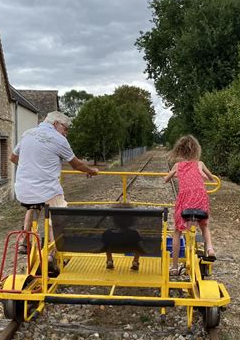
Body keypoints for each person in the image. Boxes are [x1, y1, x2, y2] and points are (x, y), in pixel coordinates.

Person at [10, 111, 98, 266]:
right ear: (56, 124)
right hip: (46, 190)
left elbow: (13, 157)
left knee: (33, 206)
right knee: (57, 212)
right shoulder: (59, 140)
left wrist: (32, 165)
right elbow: (76, 164)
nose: (66, 133)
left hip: (23, 189)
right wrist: (92, 171)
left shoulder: (27, 134)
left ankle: (25, 241)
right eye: (65, 129)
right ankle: (53, 255)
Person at [164, 135, 216, 275]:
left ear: (179, 151)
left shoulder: (177, 166)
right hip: (200, 199)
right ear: (196, 150)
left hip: (185, 202)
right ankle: (210, 248)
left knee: (177, 232)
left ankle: (174, 267)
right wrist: (204, 177)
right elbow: (211, 178)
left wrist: (174, 175)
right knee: (204, 226)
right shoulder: (200, 164)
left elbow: (166, 179)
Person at [102, 204, 144, 271]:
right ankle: (135, 262)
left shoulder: (108, 233)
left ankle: (109, 260)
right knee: (139, 242)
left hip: (113, 248)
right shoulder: (134, 233)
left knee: (107, 241)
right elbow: (140, 244)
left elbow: (103, 244)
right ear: (131, 220)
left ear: (114, 220)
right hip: (130, 249)